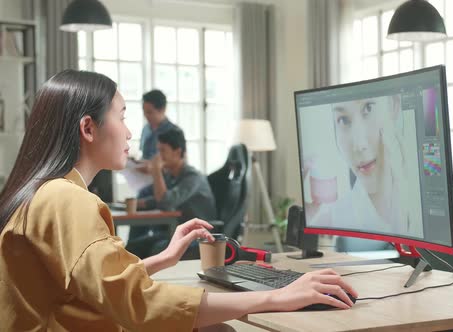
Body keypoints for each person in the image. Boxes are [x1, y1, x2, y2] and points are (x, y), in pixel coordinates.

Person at [0, 70, 357, 331]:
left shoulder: (44, 193)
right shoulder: (66, 199)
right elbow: (137, 304)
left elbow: (87, 285)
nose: (128, 132)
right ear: (88, 128)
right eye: (122, 117)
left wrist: (161, 259)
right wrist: (274, 297)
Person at [303, 95, 424, 238]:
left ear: (394, 106)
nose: (359, 145)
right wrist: (309, 226)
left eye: (368, 108)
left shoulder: (423, 207)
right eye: (343, 120)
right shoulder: (330, 220)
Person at [126, 128, 217, 258]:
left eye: (163, 150)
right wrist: (138, 204)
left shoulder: (192, 177)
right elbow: (159, 199)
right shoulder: (171, 175)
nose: (158, 156)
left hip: (197, 236)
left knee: (157, 249)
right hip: (176, 232)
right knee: (133, 247)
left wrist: (156, 170)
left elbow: (165, 202)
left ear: (178, 152)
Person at [139, 89, 180, 161]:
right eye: (144, 111)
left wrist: (151, 167)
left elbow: (179, 165)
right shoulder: (146, 129)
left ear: (162, 109)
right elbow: (144, 155)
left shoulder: (175, 132)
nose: (145, 115)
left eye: (149, 112)